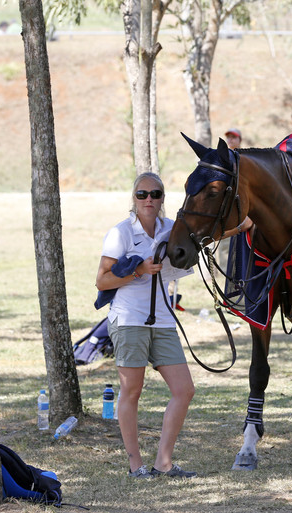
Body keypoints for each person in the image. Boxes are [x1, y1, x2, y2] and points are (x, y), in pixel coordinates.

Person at [95, 172, 197, 479]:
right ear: (134, 199)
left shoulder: (171, 229)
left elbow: (205, 233)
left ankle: (163, 462)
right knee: (132, 391)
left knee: (184, 389)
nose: (149, 199)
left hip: (163, 319)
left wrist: (243, 224)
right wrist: (138, 270)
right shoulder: (121, 233)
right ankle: (135, 465)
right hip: (129, 320)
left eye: (155, 194)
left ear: (163, 198)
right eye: (142, 194)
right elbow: (102, 280)